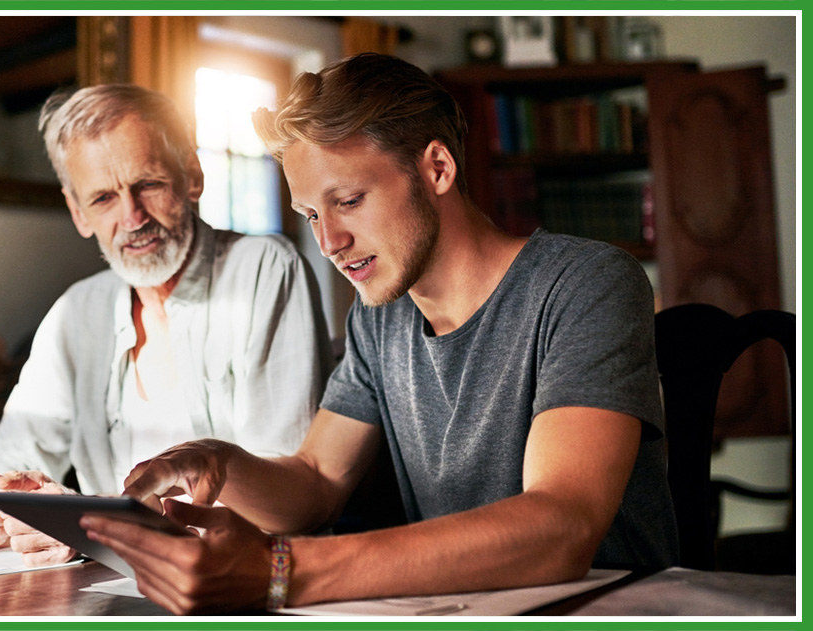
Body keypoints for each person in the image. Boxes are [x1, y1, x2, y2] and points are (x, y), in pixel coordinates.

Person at [81, 53, 680, 614]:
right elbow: (315, 481)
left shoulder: (588, 283)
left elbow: (562, 527)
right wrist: (215, 460)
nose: (328, 242)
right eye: (312, 215)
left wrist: (280, 567)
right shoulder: (378, 316)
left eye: (349, 200)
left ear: (437, 168)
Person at [0, 84, 333, 567]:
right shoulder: (76, 312)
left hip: (253, 585)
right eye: (104, 198)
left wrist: (95, 523)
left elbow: (286, 501)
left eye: (148, 184)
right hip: (118, 591)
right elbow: (9, 453)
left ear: (192, 176)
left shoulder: (264, 268)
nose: (132, 217)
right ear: (78, 212)